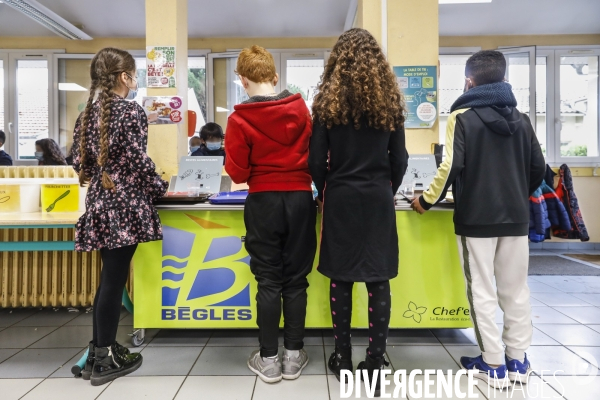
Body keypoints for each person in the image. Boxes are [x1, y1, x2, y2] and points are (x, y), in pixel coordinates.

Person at [411, 50, 546, 389]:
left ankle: (492, 363)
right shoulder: (523, 119)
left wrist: (426, 200)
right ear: (503, 79)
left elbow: (449, 166)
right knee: (516, 290)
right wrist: (516, 195)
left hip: (476, 219)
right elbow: (538, 170)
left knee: (482, 289)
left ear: (469, 81)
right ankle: (518, 360)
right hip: (515, 219)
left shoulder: (463, 117)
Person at [309, 28, 408, 397]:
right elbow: (400, 160)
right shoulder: (390, 104)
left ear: (338, 59)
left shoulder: (326, 104)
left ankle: (342, 356)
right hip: (378, 197)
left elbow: (315, 161)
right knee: (378, 278)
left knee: (341, 275)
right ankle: (375, 360)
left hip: (341, 198)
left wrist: (326, 190)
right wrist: (386, 188)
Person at [72, 47, 168, 387]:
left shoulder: (87, 114)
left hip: (99, 203)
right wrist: (161, 185)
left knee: (108, 280)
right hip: (125, 207)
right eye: (134, 74)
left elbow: (77, 162)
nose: (136, 79)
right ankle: (102, 360)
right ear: (124, 77)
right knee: (113, 282)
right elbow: (138, 162)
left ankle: (100, 352)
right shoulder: (131, 112)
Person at [225, 45, 317, 383]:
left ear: (242, 80)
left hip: (263, 201)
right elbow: (316, 153)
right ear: (275, 77)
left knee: (268, 279)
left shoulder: (238, 119)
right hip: (300, 198)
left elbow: (237, 173)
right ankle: (293, 356)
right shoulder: (301, 110)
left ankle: (267, 360)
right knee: (296, 278)